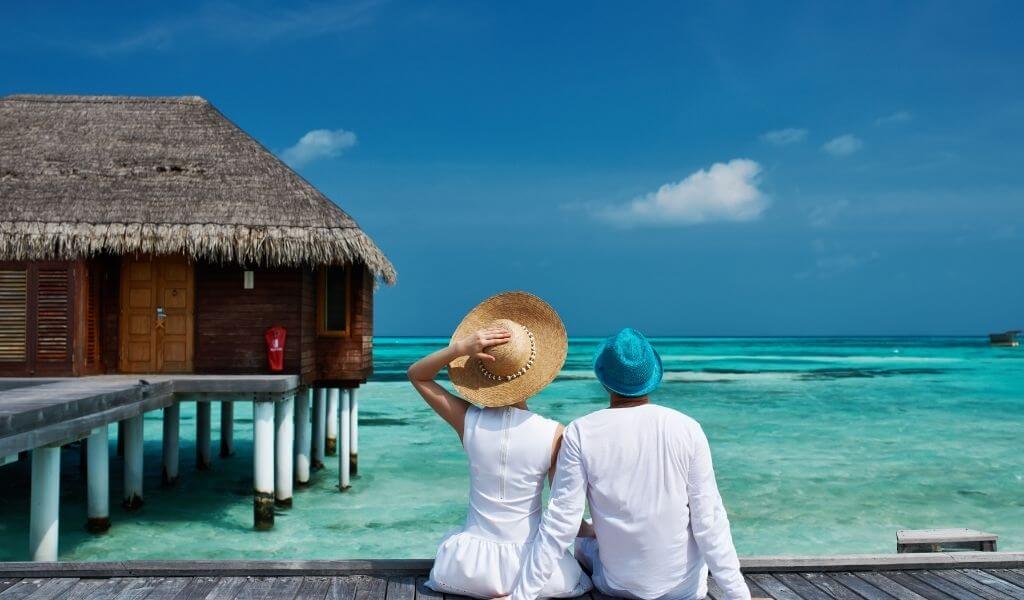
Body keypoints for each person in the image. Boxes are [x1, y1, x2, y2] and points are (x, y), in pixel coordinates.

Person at [508, 328, 751, 600]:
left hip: (618, 586)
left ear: (604, 381)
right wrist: (739, 596)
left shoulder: (581, 431)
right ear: (651, 377)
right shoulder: (688, 428)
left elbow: (561, 523)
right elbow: (710, 521)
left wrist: (520, 596)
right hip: (685, 590)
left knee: (583, 536)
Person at [407, 291, 593, 600]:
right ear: (535, 374)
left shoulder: (468, 422)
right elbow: (564, 515)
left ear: (484, 372)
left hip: (468, 570)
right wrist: (595, 529)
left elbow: (418, 376)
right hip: (534, 572)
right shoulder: (554, 433)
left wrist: (460, 349)